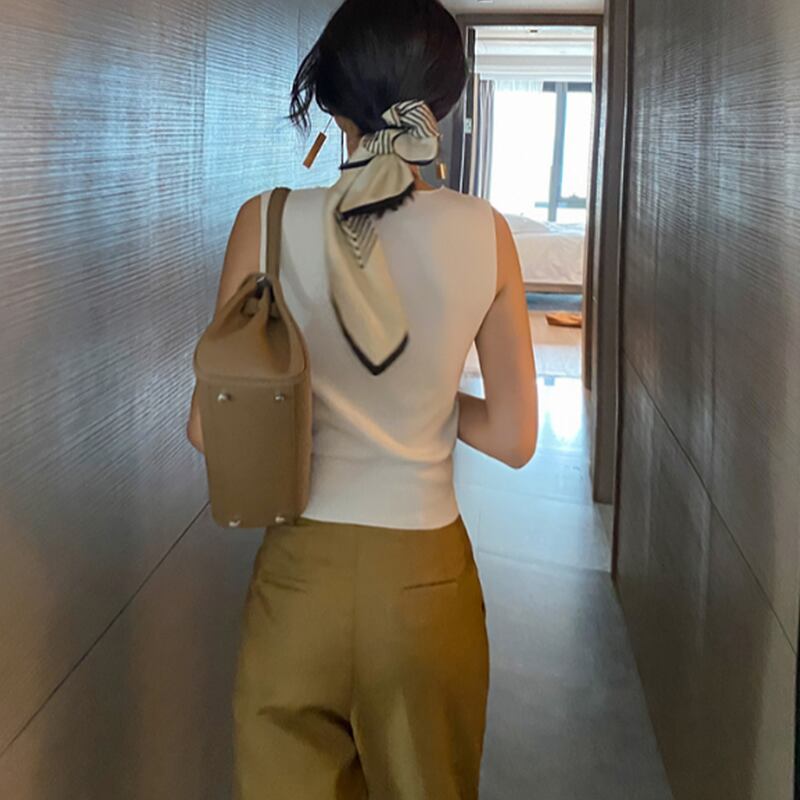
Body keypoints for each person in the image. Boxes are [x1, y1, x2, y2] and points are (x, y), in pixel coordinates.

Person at [186, 0, 538, 797]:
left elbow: (209, 429)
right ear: (444, 103)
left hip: (298, 584)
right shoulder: (486, 232)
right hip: (426, 588)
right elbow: (516, 438)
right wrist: (432, 402)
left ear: (331, 99)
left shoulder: (265, 221)